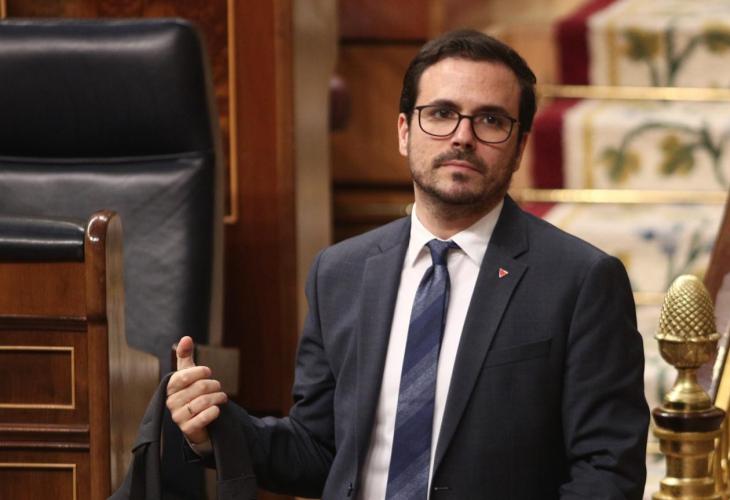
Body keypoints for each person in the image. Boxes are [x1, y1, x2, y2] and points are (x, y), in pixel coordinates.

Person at [166, 29, 649, 499]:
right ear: (404, 132)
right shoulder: (340, 272)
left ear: (520, 147)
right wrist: (216, 428)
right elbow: (319, 451)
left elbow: (607, 471)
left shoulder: (580, 280)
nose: (462, 137)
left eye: (490, 120)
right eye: (441, 113)